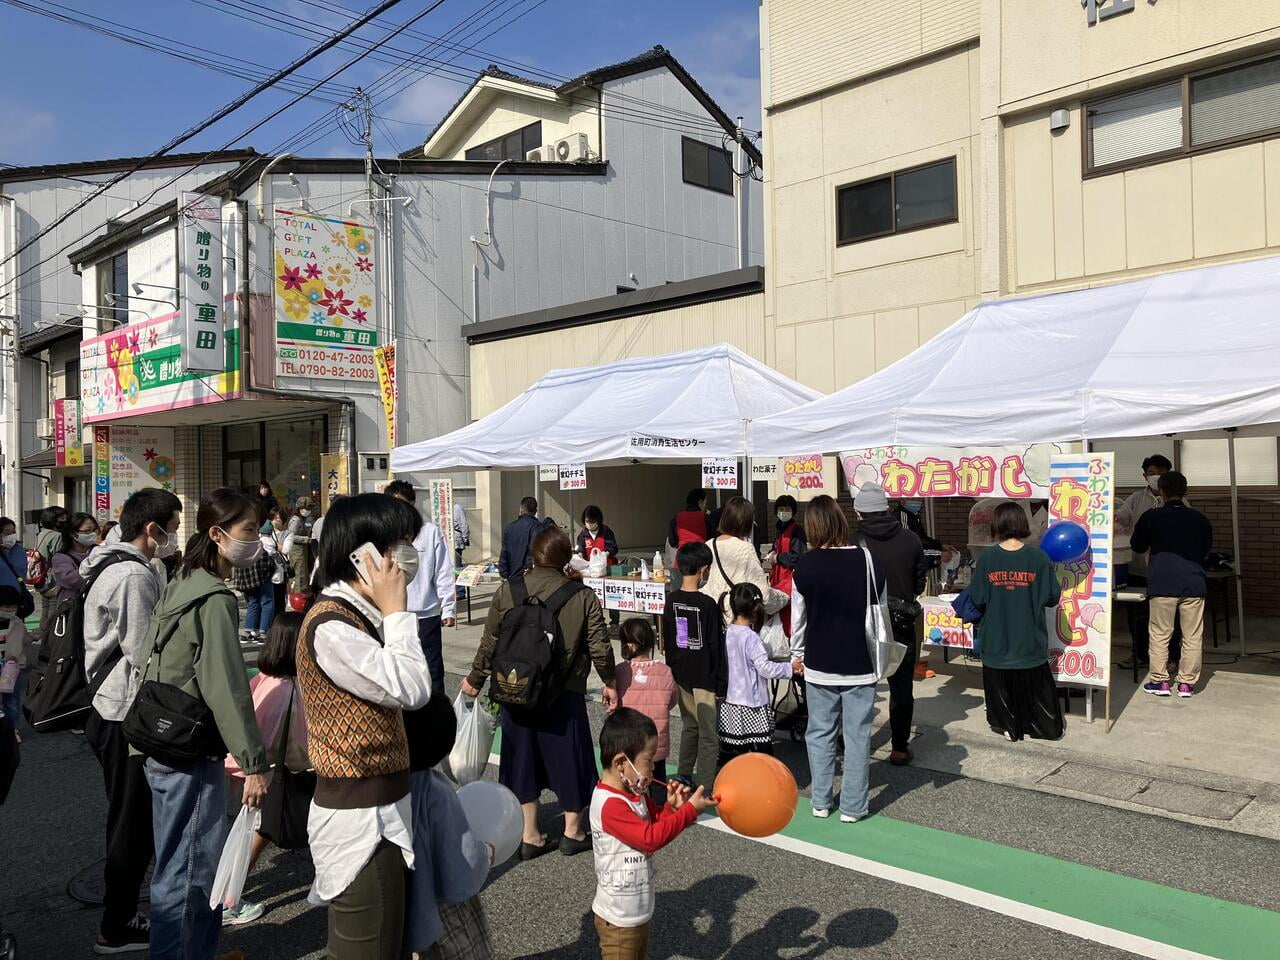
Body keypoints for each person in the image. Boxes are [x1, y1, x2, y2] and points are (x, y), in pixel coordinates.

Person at [295, 493, 431, 960]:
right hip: (361, 824)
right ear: (365, 556)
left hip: (385, 813)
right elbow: (411, 687)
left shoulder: (359, 617)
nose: (409, 558)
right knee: (367, 948)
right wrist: (397, 613)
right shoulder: (333, 626)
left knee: (389, 943)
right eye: (401, 545)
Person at [137, 487, 271, 960]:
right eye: (248, 531)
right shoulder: (213, 598)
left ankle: (199, 951)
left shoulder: (183, 579)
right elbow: (228, 687)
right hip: (191, 751)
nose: (256, 541)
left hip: (164, 741)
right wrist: (254, 763)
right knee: (189, 871)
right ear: (217, 535)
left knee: (181, 865)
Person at [464, 525, 617, 860]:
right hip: (565, 691)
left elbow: (490, 640)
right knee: (570, 756)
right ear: (566, 559)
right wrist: (610, 681)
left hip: (515, 687)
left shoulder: (509, 589)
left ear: (534, 555)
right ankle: (573, 831)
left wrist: (476, 678)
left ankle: (529, 834)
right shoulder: (581, 595)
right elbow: (600, 647)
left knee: (522, 757)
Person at [82, 487, 181, 955]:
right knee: (131, 823)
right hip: (122, 712)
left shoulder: (117, 564)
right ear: (152, 529)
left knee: (131, 819)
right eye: (173, 527)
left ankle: (121, 915)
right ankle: (115, 925)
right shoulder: (132, 577)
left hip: (111, 707)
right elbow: (146, 653)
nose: (174, 537)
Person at [590, 707, 714, 958]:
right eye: (648, 761)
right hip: (618, 920)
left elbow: (653, 822)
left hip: (638, 912)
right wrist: (688, 812)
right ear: (621, 763)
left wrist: (671, 808)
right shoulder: (609, 804)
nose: (654, 769)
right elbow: (650, 838)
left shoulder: (635, 794)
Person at [790, 495, 882, 823]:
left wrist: (796, 656)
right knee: (857, 736)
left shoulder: (805, 566)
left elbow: (798, 621)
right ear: (841, 521)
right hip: (860, 662)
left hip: (818, 663)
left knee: (820, 732)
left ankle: (820, 800)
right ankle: (854, 807)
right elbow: (878, 609)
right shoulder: (867, 559)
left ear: (812, 528)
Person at [223, 611, 310, 927]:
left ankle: (226, 896)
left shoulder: (265, 679)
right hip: (275, 777)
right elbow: (298, 748)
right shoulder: (291, 691)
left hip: (259, 772)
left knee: (253, 836)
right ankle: (228, 900)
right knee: (257, 836)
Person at [404, 691, 496, 959]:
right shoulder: (435, 789)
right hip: (439, 894)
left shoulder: (388, 782)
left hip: (400, 893)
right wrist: (486, 852)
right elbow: (463, 853)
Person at [967, 502, 1064, 742]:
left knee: (1000, 683)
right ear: (1022, 523)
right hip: (1030, 638)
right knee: (1034, 684)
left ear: (996, 524)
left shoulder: (987, 559)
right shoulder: (1039, 558)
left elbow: (977, 598)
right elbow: (1052, 597)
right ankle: (1037, 726)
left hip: (997, 639)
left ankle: (1008, 725)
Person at [855, 482, 927, 766]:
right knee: (901, 686)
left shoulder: (851, 542)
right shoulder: (910, 539)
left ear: (859, 512)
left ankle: (858, 745)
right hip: (900, 621)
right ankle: (899, 747)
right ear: (887, 508)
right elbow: (919, 582)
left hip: (861, 622)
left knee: (861, 686)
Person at [1131, 471, 1213, 699]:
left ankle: (1160, 681)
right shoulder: (1200, 519)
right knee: (1193, 635)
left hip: (1162, 582)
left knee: (1159, 633)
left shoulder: (1151, 516)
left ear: (1162, 491)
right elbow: (1206, 548)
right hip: (1194, 583)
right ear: (1185, 491)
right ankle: (1186, 684)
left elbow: (1137, 545)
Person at [661, 542, 725, 790]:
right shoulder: (708, 604)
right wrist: (721, 681)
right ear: (704, 570)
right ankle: (705, 784)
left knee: (690, 726)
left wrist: (672, 669)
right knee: (709, 734)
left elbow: (668, 639)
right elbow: (715, 646)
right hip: (705, 675)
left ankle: (684, 774)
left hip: (680, 673)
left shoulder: (671, 600)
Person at [386, 480, 458, 694]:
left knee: (432, 669)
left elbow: (443, 571)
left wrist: (448, 607)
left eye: (403, 504)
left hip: (427, 614)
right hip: (394, 614)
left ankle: (435, 714)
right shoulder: (384, 534)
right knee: (398, 669)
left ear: (413, 503)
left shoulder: (430, 532)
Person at [718, 583, 800, 767]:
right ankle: (768, 786)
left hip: (731, 702)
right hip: (753, 704)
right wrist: (790, 668)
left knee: (732, 754)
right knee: (764, 754)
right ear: (755, 609)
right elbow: (765, 669)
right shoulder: (752, 638)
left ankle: (726, 786)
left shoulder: (727, 632)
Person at [1115, 454, 1180, 670]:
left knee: (1168, 616)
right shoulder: (1135, 498)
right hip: (1138, 568)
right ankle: (1141, 654)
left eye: (1161, 474)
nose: (1156, 478)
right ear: (1144, 476)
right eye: (1152, 474)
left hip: (1166, 570)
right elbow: (1121, 520)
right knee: (1137, 616)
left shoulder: (1178, 501)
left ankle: (1171, 657)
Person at [701, 496, 788, 626]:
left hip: (711, 618)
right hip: (736, 621)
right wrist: (784, 598)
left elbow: (702, 582)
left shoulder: (709, 545)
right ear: (745, 522)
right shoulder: (745, 549)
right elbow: (763, 594)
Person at [614, 619, 676, 789]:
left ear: (629, 645)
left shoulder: (620, 671)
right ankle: (659, 814)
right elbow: (671, 701)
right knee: (658, 785)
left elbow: (614, 706)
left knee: (629, 787)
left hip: (629, 742)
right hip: (656, 742)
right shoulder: (665, 671)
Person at [765, 495, 805, 637]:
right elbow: (777, 547)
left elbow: (796, 558)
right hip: (777, 580)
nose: (784, 512)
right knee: (779, 617)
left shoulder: (797, 531)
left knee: (789, 617)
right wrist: (772, 552)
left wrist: (778, 558)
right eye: (781, 508)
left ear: (793, 511)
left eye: (787, 509)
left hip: (789, 581)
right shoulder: (779, 529)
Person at [578, 505, 620, 626]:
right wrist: (580, 554)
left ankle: (614, 622)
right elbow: (579, 547)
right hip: (591, 571)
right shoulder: (583, 533)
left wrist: (606, 553)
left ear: (598, 521)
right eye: (587, 521)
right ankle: (597, 622)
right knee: (592, 598)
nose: (589, 524)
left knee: (612, 597)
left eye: (592, 522)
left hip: (608, 570)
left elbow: (613, 547)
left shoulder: (606, 531)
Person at [0, 587, 33, 742]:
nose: (10, 610)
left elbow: (25, 639)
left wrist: (39, 633)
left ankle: (12, 729)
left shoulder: (17, 623)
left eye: (13, 607)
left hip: (11, 669)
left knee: (11, 701)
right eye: (6, 607)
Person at [234, 537, 277, 644]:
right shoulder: (260, 547)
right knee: (267, 603)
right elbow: (269, 563)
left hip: (247, 582)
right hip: (263, 580)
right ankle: (263, 633)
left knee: (253, 604)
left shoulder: (242, 548)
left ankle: (248, 632)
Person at [51, 511, 99, 606]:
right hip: (73, 610)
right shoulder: (61, 557)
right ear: (73, 533)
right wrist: (95, 564)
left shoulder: (99, 551)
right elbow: (71, 581)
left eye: (95, 530)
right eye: (87, 531)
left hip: (96, 605)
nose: (92, 534)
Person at [497, 497, 549, 579]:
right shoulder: (538, 527)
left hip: (513, 577)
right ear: (535, 512)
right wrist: (530, 568)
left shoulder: (509, 528)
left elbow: (504, 552)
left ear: (521, 509)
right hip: (530, 577)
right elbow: (535, 550)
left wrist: (504, 572)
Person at [263, 506, 294, 622]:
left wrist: (271, 544)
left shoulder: (288, 533)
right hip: (266, 568)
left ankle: (279, 621)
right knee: (267, 598)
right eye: (273, 518)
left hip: (280, 569)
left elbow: (286, 549)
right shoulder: (265, 531)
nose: (275, 520)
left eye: (278, 518)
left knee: (279, 596)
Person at [287, 495, 317, 595]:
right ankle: (299, 599)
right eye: (305, 508)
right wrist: (307, 539)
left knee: (304, 576)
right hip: (297, 552)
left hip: (303, 551)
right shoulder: (295, 520)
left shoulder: (304, 519)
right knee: (300, 577)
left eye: (309, 509)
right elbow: (291, 536)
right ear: (299, 508)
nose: (307, 511)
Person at [666, 489, 709, 557]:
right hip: (701, 558)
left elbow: (673, 542)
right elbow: (712, 538)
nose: (705, 506)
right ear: (700, 502)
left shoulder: (676, 518)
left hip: (682, 558)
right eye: (705, 503)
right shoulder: (705, 517)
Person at [0, 518, 27, 598]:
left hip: (17, 596)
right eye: (7, 532)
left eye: (13, 532)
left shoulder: (20, 550)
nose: (11, 536)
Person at [452, 502, 470, 568]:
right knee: (456, 564)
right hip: (455, 537)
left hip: (450, 537)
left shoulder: (455, 508)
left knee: (454, 563)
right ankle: (456, 576)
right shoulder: (457, 508)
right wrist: (465, 538)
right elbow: (464, 524)